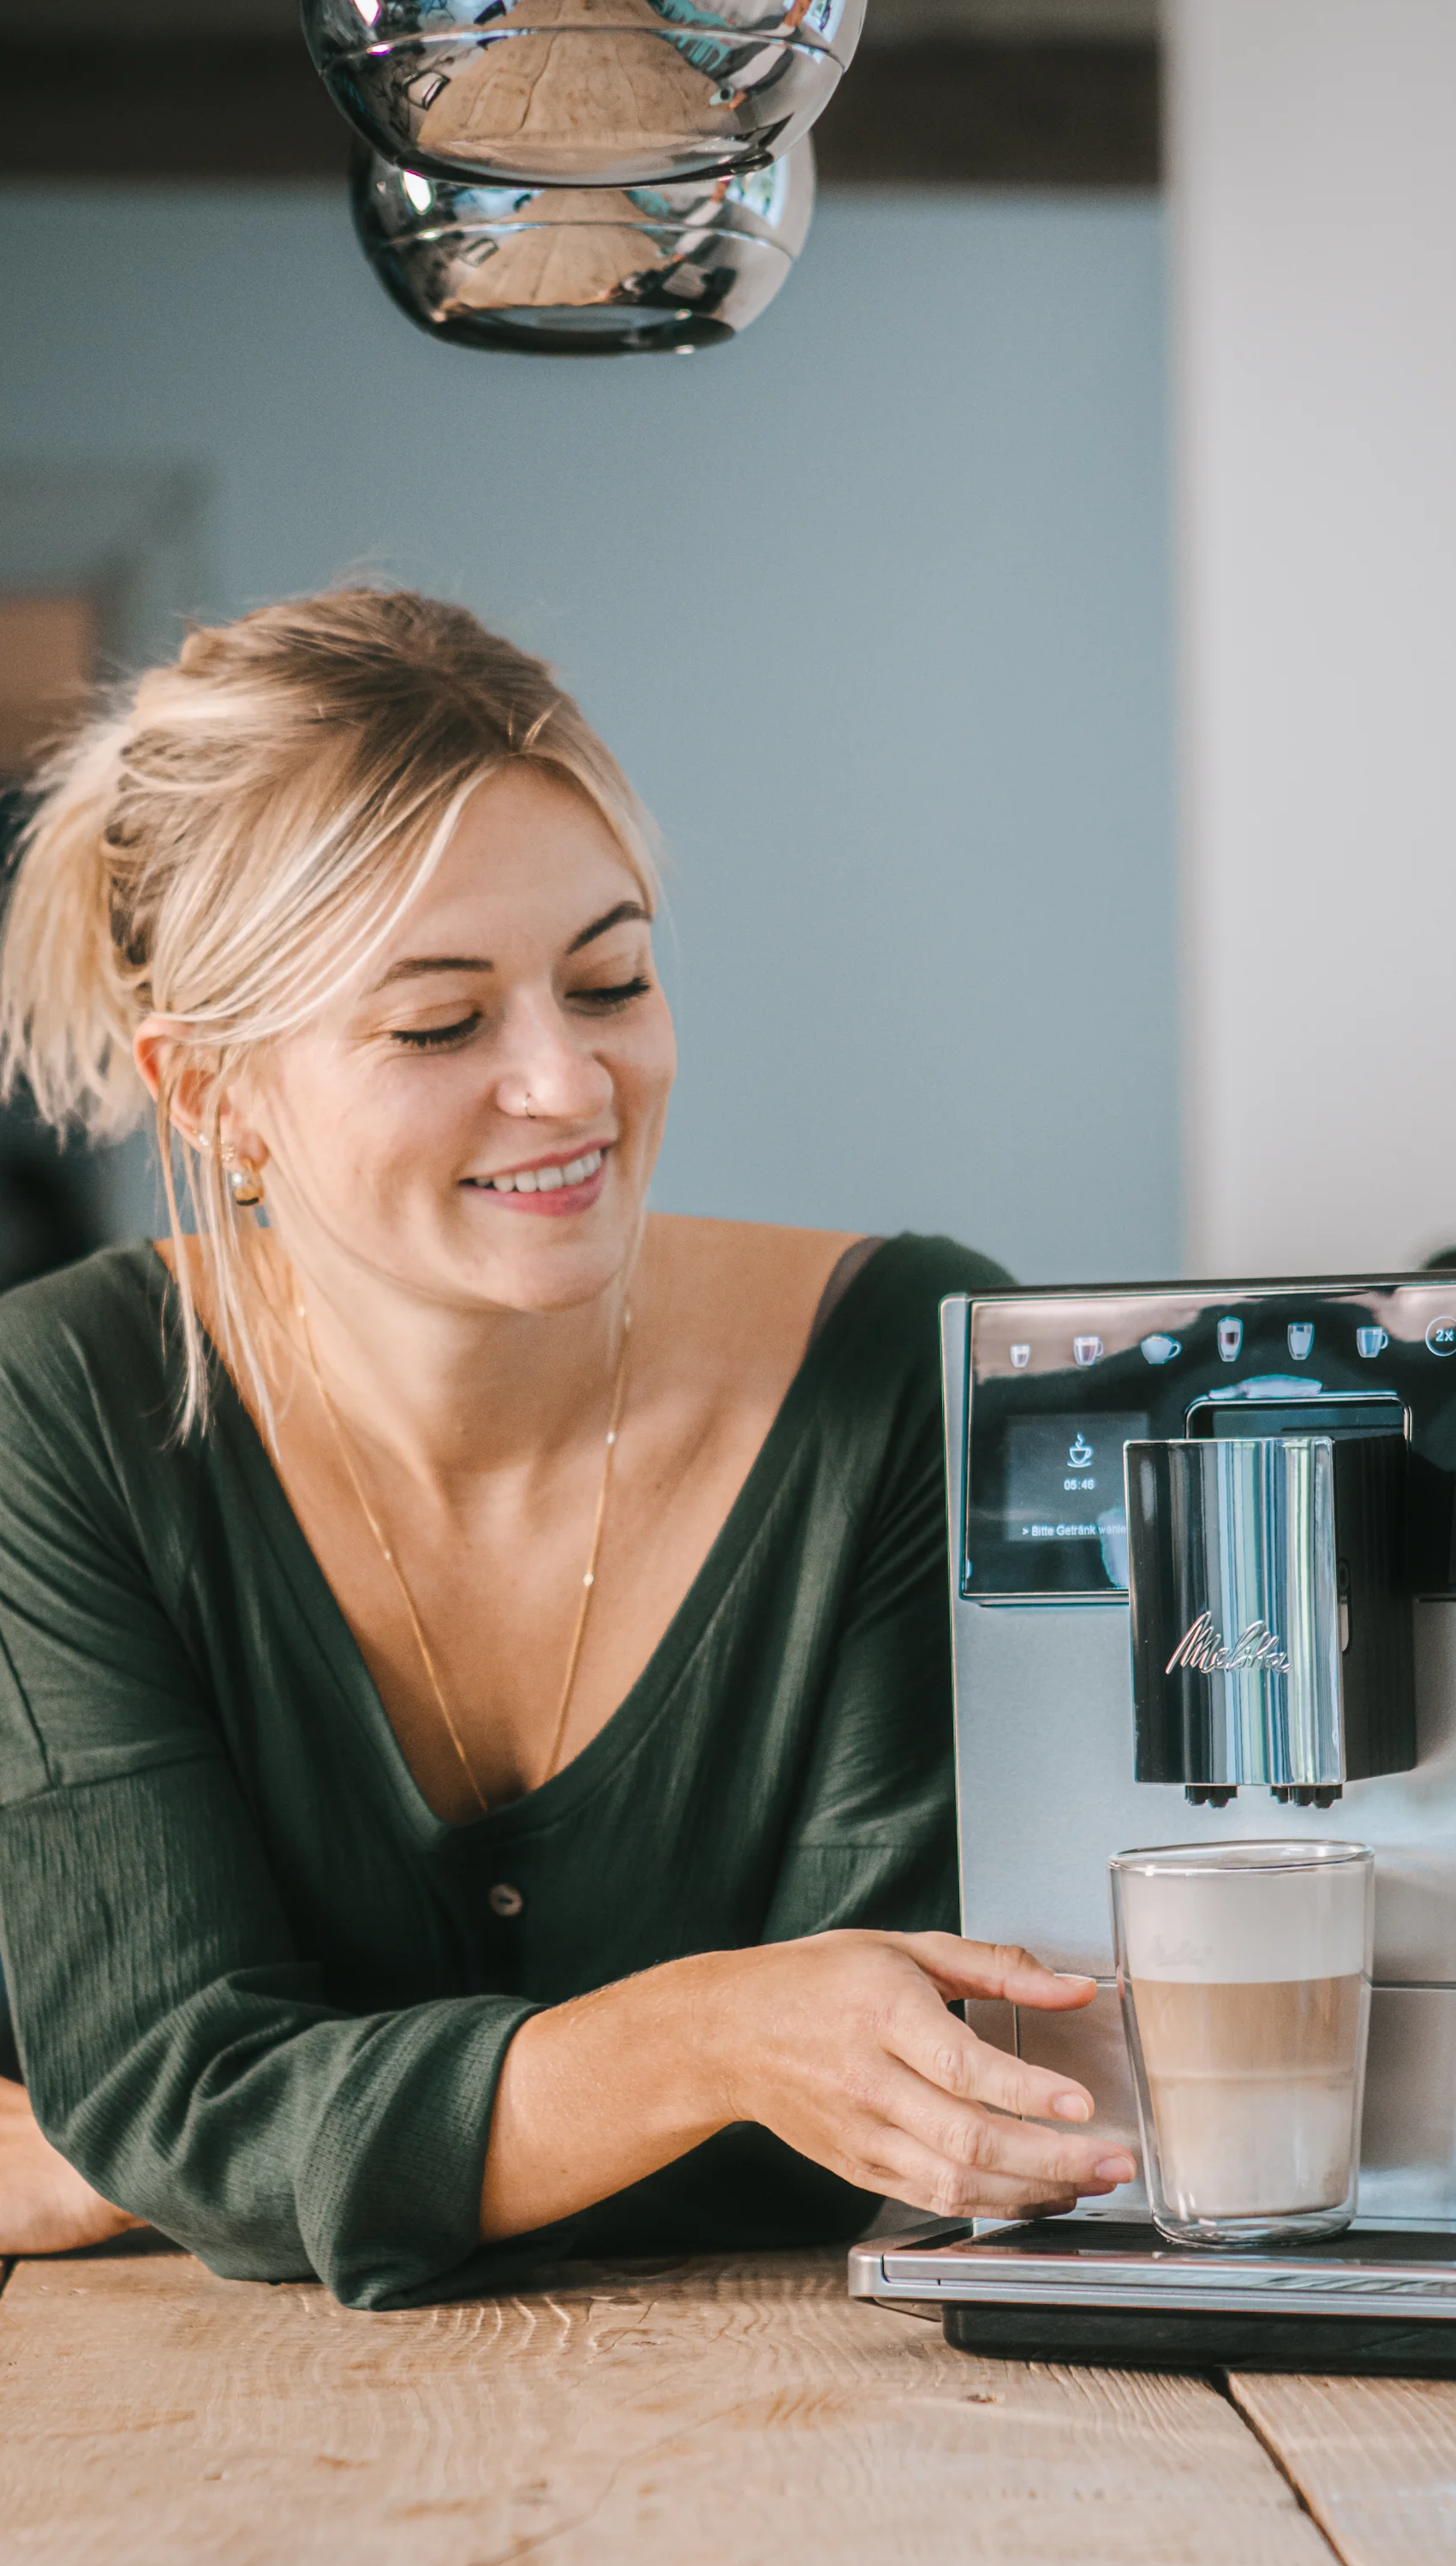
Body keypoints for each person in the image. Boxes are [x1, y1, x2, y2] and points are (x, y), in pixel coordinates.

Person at [0, 587, 1130, 2299]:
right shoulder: (57, 1407)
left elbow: (902, 2105)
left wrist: (222, 2162)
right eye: (439, 1023)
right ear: (209, 1093)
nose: (567, 1084)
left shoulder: (908, 1368)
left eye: (608, 979)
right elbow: (183, 2087)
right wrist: (708, 2040)